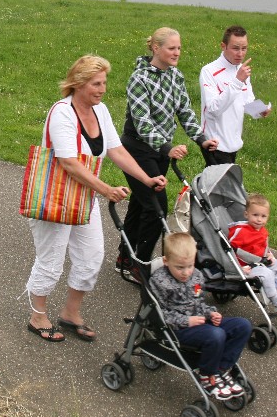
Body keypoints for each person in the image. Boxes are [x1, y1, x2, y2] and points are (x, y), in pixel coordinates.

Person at [25, 55, 169, 342]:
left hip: (83, 198)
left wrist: (146, 178)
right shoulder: (62, 113)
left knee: (91, 257)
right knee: (51, 260)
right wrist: (105, 189)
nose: (102, 89)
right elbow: (69, 162)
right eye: (96, 84)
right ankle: (37, 316)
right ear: (78, 83)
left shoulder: (100, 111)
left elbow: (116, 150)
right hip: (56, 198)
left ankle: (70, 313)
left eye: (104, 83)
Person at [119, 27, 218, 270]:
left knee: (141, 204)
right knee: (156, 208)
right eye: (171, 48)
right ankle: (140, 265)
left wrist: (201, 139)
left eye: (179, 48)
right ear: (156, 48)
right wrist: (167, 148)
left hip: (159, 152)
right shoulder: (139, 79)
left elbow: (185, 111)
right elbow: (142, 123)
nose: (177, 52)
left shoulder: (176, 76)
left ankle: (125, 258)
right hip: (137, 149)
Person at [149, 232, 252, 401]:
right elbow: (158, 313)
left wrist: (210, 312)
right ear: (166, 261)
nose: (186, 272)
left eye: (189, 266)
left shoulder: (196, 276)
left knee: (243, 325)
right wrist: (186, 321)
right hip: (178, 329)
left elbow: (199, 301)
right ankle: (207, 374)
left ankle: (222, 368)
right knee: (216, 335)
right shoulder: (160, 282)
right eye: (180, 267)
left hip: (201, 321)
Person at [199, 25, 272, 166]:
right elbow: (213, 108)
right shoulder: (209, 71)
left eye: (244, 48)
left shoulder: (241, 70)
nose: (240, 54)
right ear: (223, 46)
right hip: (215, 143)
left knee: (217, 179)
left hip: (233, 142)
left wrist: (260, 111)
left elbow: (247, 101)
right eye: (235, 48)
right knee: (223, 180)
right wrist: (237, 81)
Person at [227, 193, 277, 314]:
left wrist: (269, 254)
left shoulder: (263, 231)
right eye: (255, 215)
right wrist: (238, 267)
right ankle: (276, 301)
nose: (259, 219)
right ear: (246, 214)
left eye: (263, 216)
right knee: (267, 274)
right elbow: (231, 249)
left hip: (262, 262)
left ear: (268, 217)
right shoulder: (241, 231)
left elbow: (264, 247)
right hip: (247, 267)